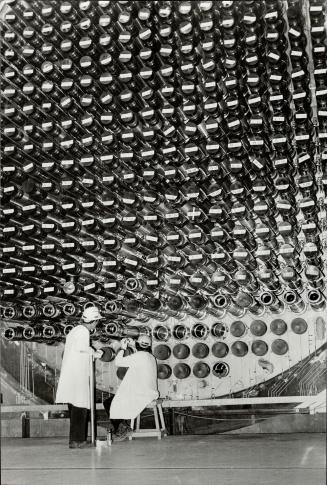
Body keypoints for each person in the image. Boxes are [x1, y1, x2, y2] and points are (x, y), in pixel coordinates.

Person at [55, 306, 104, 449]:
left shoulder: (75, 330)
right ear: (93, 321)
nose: (97, 324)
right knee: (80, 406)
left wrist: (92, 353)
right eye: (97, 322)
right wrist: (96, 353)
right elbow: (83, 348)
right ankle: (77, 441)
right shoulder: (83, 331)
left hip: (72, 374)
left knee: (75, 406)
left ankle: (76, 439)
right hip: (77, 375)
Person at [103, 334, 159, 441]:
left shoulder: (139, 356)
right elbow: (138, 355)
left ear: (138, 344)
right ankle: (123, 426)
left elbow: (118, 362)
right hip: (149, 392)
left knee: (109, 402)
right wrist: (134, 345)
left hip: (141, 394)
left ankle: (121, 428)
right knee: (114, 401)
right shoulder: (150, 357)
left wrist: (123, 347)